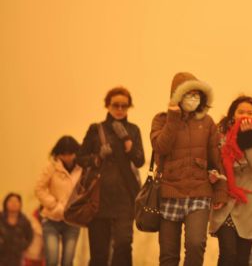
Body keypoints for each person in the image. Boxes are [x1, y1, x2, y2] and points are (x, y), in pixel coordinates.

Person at [150, 72, 227, 266]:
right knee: (168, 254)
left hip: (199, 193)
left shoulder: (208, 122)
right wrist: (173, 118)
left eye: (196, 93)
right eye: (188, 93)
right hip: (169, 193)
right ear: (176, 95)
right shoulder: (161, 120)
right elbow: (161, 147)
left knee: (196, 244)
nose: (193, 98)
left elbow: (215, 160)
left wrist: (220, 191)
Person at [77, 86, 145, 266]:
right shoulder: (95, 129)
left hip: (126, 198)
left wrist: (129, 146)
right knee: (99, 252)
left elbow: (140, 161)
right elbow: (80, 158)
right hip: (99, 198)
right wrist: (97, 157)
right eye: (116, 105)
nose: (120, 109)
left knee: (123, 246)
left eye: (125, 105)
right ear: (107, 106)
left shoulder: (133, 130)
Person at [209, 95, 252, 266]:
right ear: (233, 115)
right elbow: (215, 162)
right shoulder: (220, 134)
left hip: (249, 203)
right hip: (226, 199)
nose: (246, 116)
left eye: (250, 113)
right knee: (228, 254)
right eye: (241, 112)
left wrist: (247, 142)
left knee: (242, 259)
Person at [35, 136, 82, 266]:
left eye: (70, 153)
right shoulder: (51, 167)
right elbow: (39, 188)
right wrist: (54, 205)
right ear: (58, 153)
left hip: (72, 220)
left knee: (68, 261)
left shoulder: (82, 169)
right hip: (51, 219)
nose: (67, 157)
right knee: (52, 260)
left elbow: (85, 191)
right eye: (63, 154)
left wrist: (76, 208)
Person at [0, 193, 33, 266]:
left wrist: (23, 246)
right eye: (11, 201)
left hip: (17, 255)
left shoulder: (25, 221)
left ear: (20, 204)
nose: (13, 203)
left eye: (16, 201)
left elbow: (30, 236)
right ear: (5, 203)